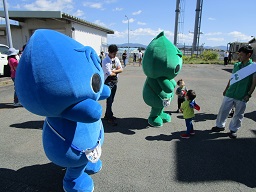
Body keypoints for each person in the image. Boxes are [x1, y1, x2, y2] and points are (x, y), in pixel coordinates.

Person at [211, 45, 256, 139]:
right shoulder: (236, 65)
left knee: (238, 114)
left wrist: (248, 95)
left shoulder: (253, 67)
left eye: (242, 54)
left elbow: (254, 83)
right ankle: (220, 126)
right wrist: (226, 89)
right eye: (239, 54)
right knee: (223, 110)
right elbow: (232, 79)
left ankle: (233, 130)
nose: (239, 56)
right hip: (230, 92)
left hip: (242, 94)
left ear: (249, 54)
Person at [102, 44, 123, 125]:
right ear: (109, 52)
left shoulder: (116, 59)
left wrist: (114, 71)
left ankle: (107, 115)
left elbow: (121, 69)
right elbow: (110, 74)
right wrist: (115, 70)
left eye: (115, 53)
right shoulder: (105, 61)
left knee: (112, 100)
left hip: (114, 82)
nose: (114, 55)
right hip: (108, 82)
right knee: (109, 100)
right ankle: (109, 116)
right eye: (113, 53)